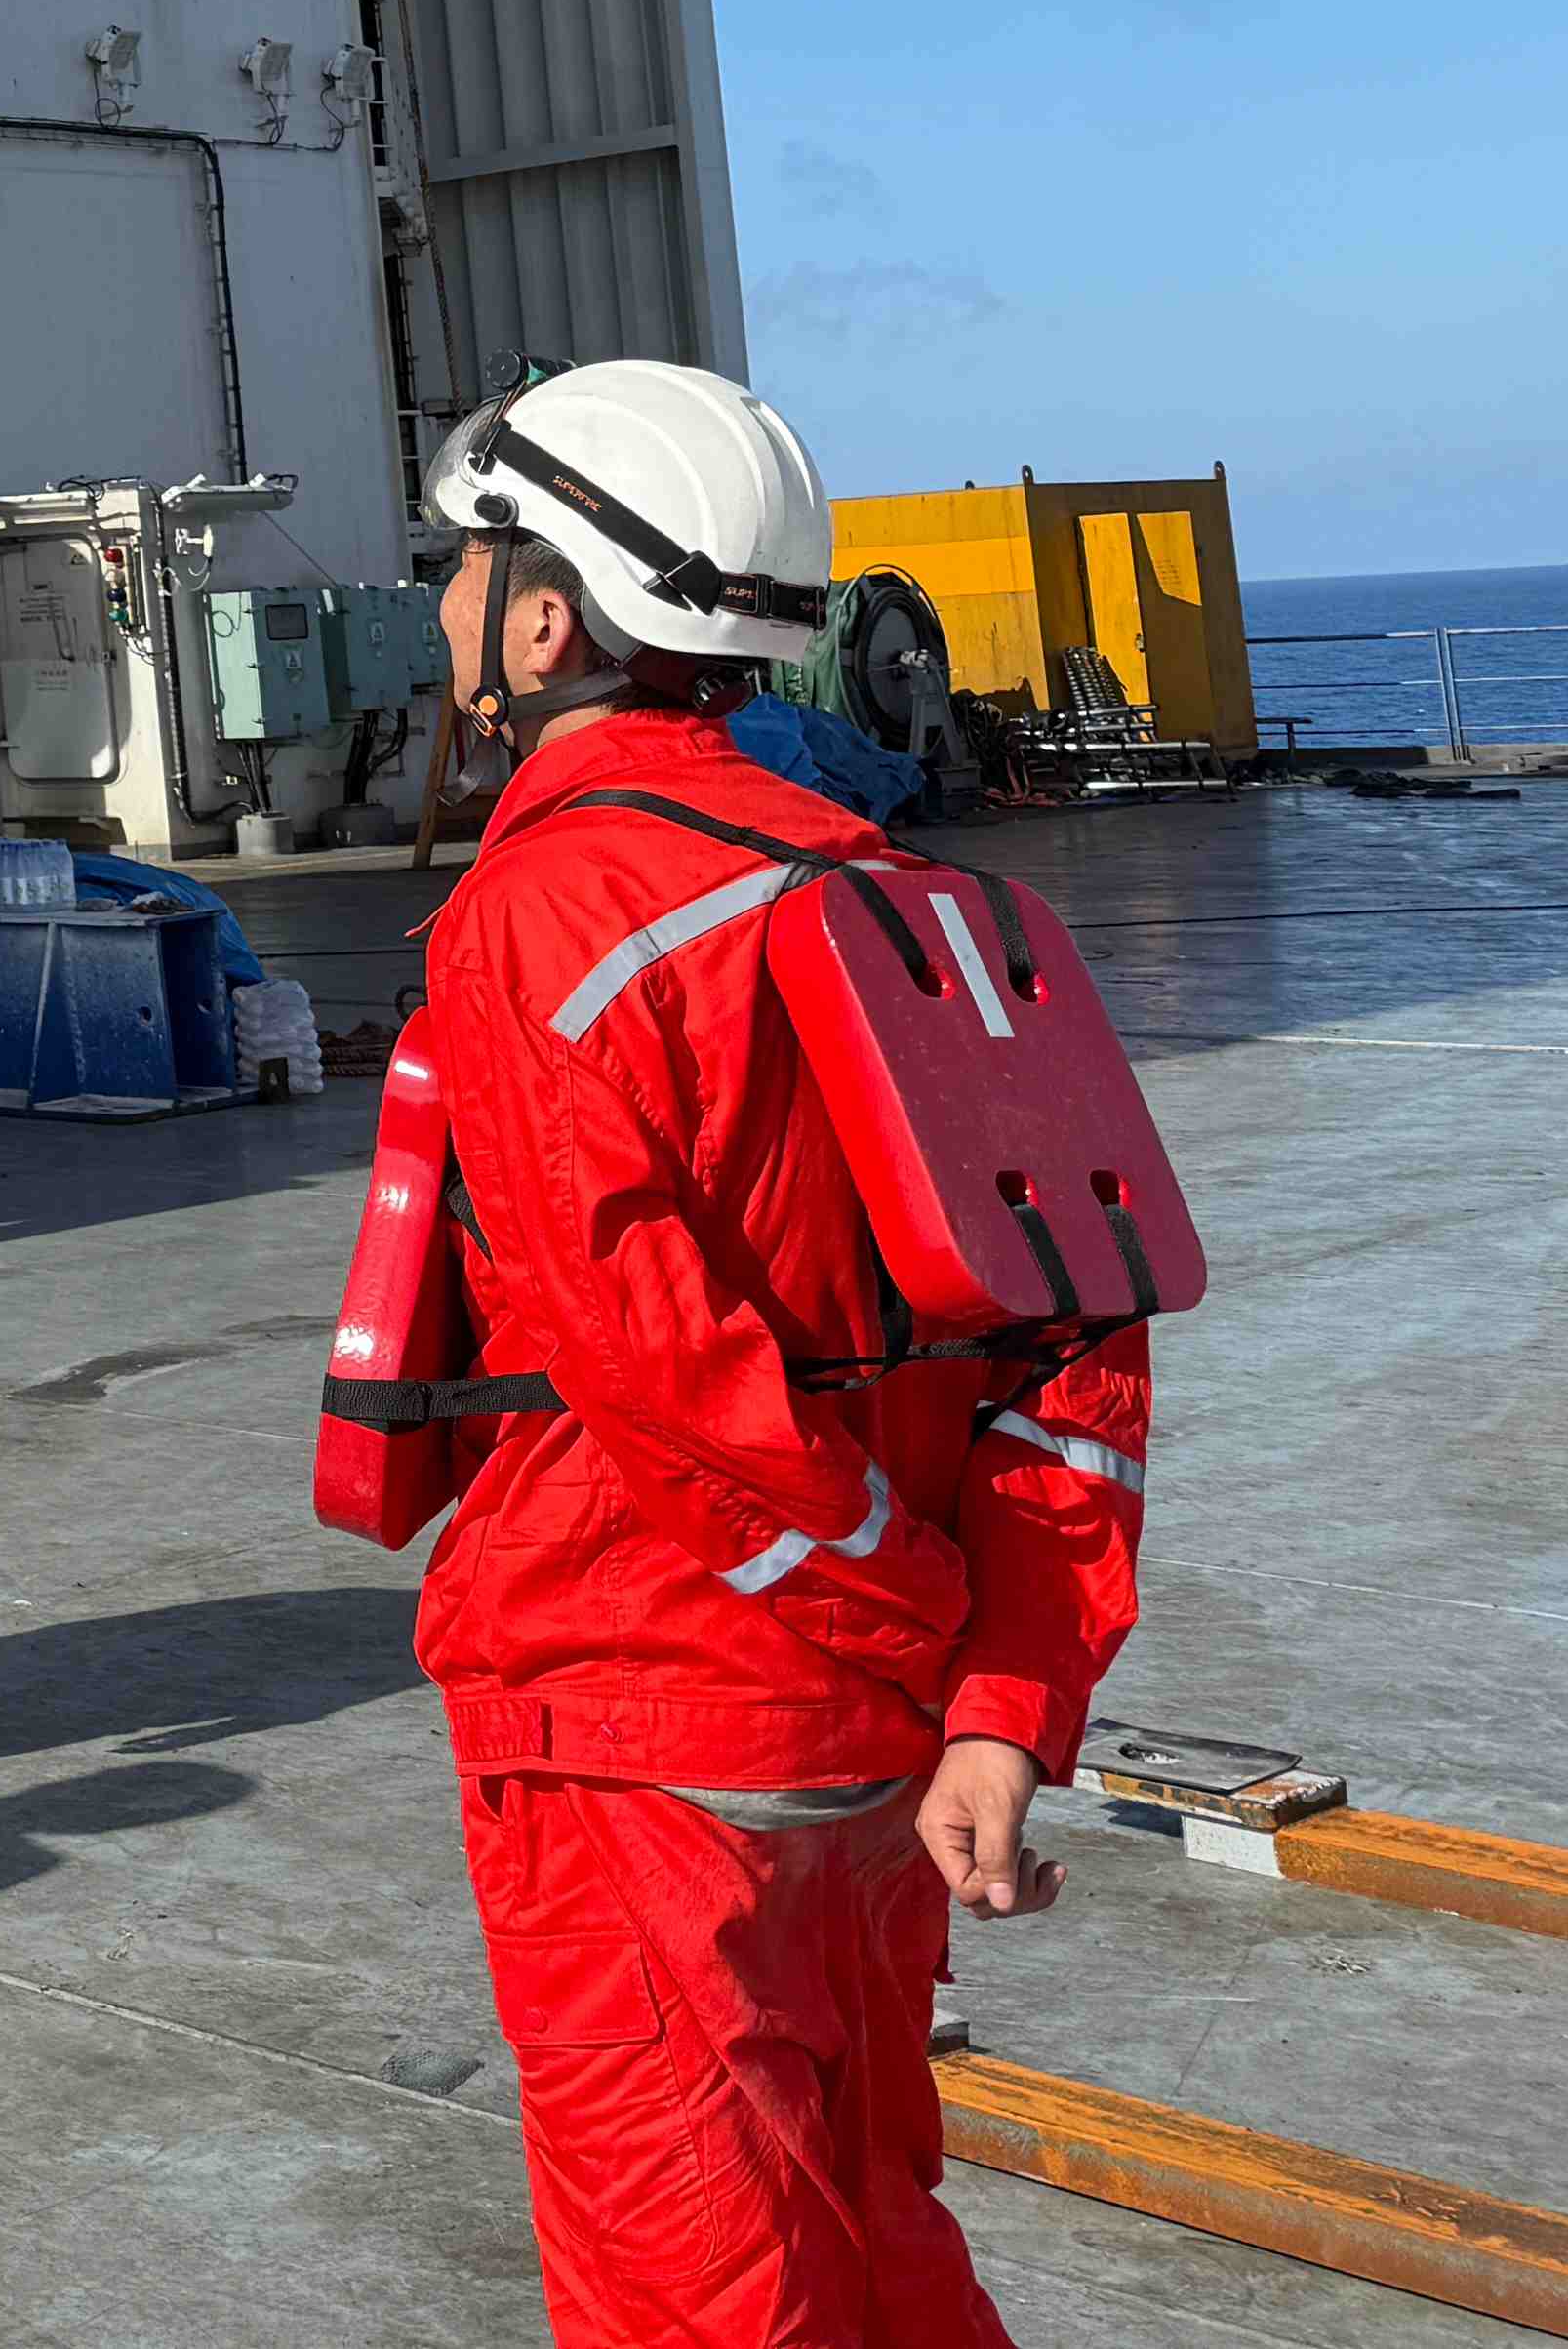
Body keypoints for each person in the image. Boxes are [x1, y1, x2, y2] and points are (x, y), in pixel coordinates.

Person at [408, 365, 1151, 2349]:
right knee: (873, 2232)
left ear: (543, 625)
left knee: (706, 2289)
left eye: (460, 567)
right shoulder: (916, 901)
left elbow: (645, 1361)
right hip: (881, 1756)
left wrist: (886, 1609)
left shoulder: (537, 914)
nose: (443, 604)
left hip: (640, 1715)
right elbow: (1076, 1347)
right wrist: (995, 1690)